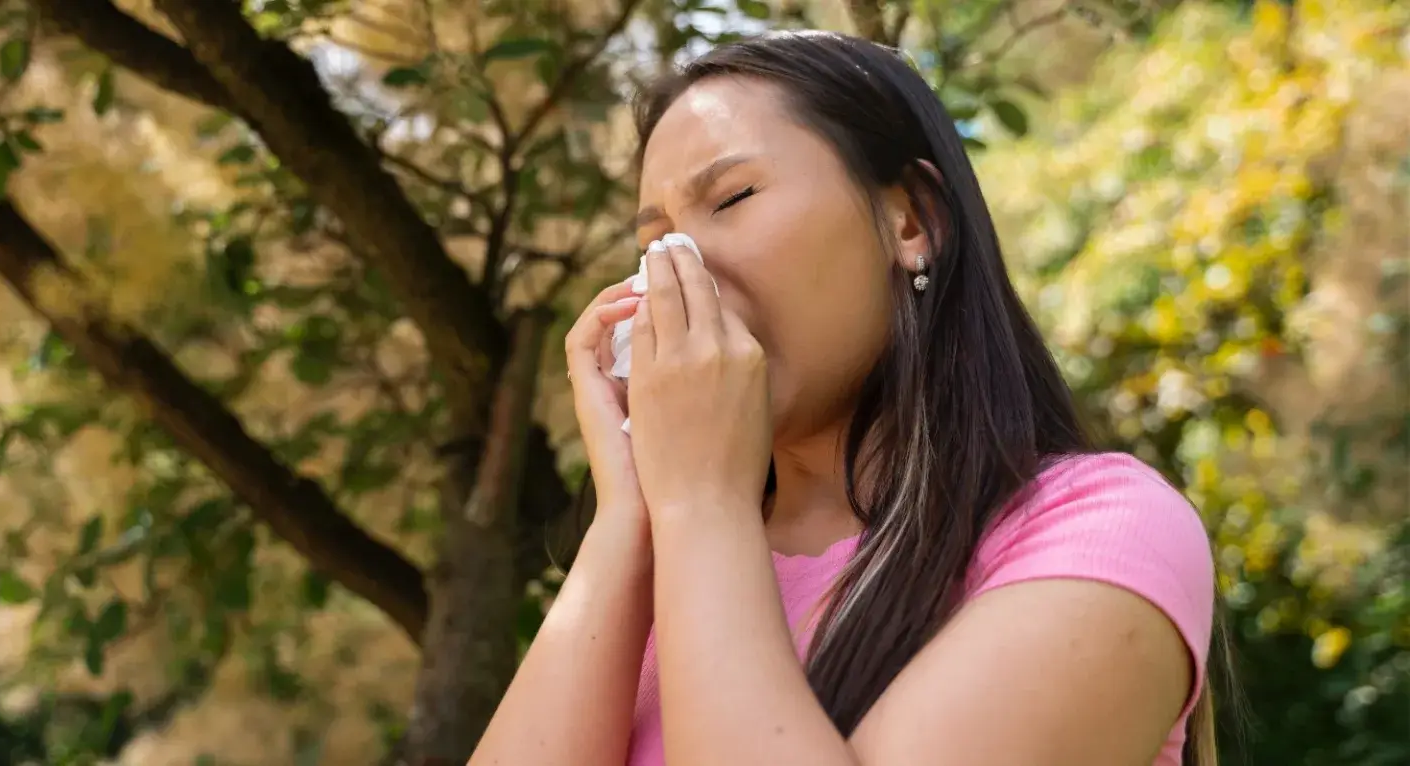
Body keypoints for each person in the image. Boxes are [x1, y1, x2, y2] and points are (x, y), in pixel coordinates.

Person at [470, 30, 1218, 766]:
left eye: (731, 198)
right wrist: (629, 512)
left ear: (911, 219)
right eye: (653, 242)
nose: (675, 270)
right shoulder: (659, 576)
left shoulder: (1101, 530)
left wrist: (704, 507)